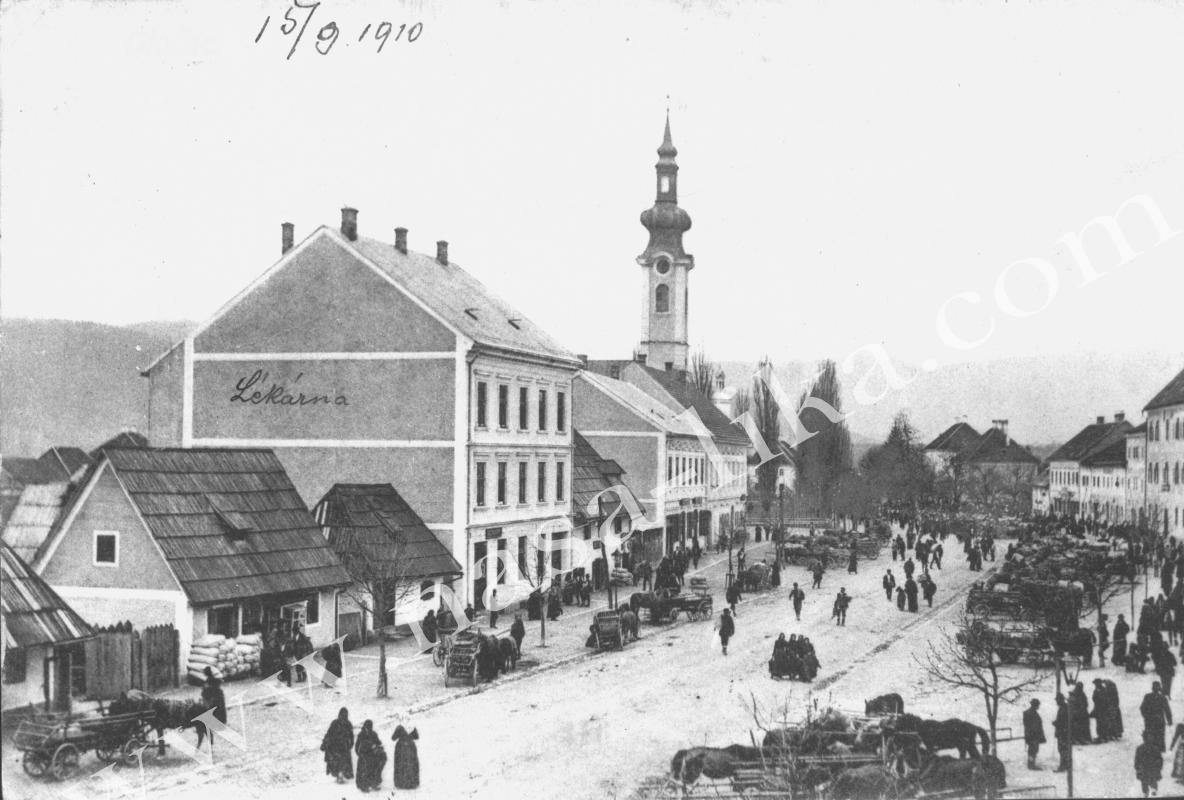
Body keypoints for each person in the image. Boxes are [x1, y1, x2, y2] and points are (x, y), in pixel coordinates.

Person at [355, 720, 387, 792]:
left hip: (373, 754)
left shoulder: (373, 734)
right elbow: (357, 746)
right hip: (364, 754)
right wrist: (359, 754)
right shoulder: (361, 734)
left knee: (375, 767)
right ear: (365, 727)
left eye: (370, 727)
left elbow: (378, 742)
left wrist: (379, 746)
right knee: (364, 769)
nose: (368, 728)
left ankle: (373, 783)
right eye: (367, 727)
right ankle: (364, 786)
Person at [1142, 682, 1174, 752]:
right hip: (1160, 720)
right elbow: (1167, 710)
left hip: (1149, 721)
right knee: (1160, 737)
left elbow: (1142, 708)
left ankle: (1150, 750)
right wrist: (1170, 721)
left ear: (1152, 688)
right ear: (1159, 689)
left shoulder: (1147, 696)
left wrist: (1146, 716)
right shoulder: (1162, 698)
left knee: (1150, 735)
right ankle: (1159, 751)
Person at [1136, 730, 1164, 797]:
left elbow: (1159, 759)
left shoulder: (1154, 748)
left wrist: (1158, 766)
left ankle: (1151, 791)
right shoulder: (1141, 748)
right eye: (1149, 737)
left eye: (1151, 737)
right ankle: (1147, 792)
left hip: (1151, 769)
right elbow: (1137, 760)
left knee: (1151, 781)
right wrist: (1138, 768)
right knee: (1146, 782)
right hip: (1146, 769)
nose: (1151, 739)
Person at [391, 725, 420, 789]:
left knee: (402, 765)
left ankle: (402, 784)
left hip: (402, 747)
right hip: (410, 747)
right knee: (411, 765)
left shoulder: (400, 730)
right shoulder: (410, 739)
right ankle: (411, 783)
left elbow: (393, 738)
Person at [1023, 698, 1045, 770]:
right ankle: (1031, 765)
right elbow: (1031, 726)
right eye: (1037, 705)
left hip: (1032, 736)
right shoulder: (1030, 713)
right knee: (1032, 751)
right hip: (1033, 736)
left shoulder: (1030, 712)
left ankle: (1031, 764)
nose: (1038, 706)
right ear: (1035, 705)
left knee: (1033, 751)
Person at [1053, 693, 1071, 772]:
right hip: (1063, 732)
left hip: (1063, 733)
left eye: (1057, 700)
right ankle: (1065, 765)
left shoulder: (1063, 708)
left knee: (1062, 749)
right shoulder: (1064, 707)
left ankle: (1063, 766)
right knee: (1063, 749)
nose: (1056, 702)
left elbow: (1063, 721)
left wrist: (1056, 723)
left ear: (1060, 700)